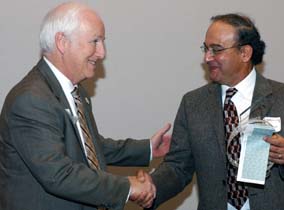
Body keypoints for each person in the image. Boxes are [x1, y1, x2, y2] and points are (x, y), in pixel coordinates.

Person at [0, 2, 171, 210]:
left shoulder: (76, 91)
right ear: (62, 42)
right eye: (95, 41)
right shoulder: (31, 100)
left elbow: (87, 147)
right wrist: (128, 187)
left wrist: (146, 149)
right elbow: (59, 174)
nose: (102, 53)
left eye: (102, 42)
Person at [143, 13, 284, 210]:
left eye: (216, 50)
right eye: (206, 48)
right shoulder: (193, 103)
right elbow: (178, 166)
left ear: (245, 53)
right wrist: (150, 188)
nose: (207, 57)